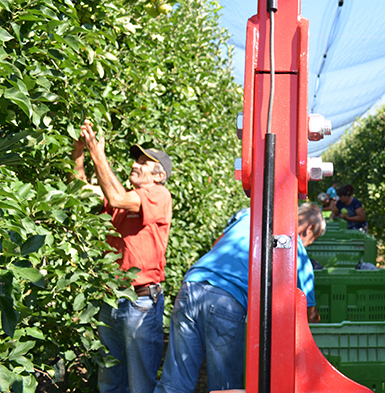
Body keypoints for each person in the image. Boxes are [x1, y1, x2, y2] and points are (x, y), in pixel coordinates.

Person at [154, 203, 324, 393]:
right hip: (225, 300)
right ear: (309, 229)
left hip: (191, 285)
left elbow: (218, 244)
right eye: (313, 239)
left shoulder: (252, 215)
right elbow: (308, 313)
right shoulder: (294, 247)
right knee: (226, 387)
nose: (308, 244)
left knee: (175, 381)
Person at [72, 119, 172, 393]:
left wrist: (97, 152)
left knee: (140, 383)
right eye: (136, 160)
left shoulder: (159, 195)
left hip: (140, 302)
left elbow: (116, 197)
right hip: (111, 299)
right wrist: (79, 151)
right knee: (109, 379)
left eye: (143, 162)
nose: (135, 165)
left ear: (158, 176)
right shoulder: (124, 198)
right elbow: (78, 191)